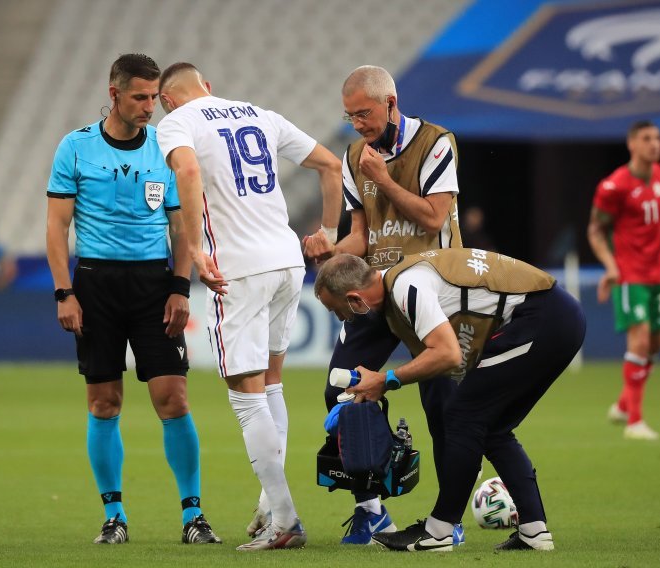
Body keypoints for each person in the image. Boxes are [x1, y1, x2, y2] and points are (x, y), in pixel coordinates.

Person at [156, 62, 342, 551]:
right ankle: (269, 502)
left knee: (245, 394)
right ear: (208, 87)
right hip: (286, 262)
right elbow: (330, 165)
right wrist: (329, 234)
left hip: (238, 268)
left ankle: (284, 519)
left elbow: (189, 170)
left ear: (167, 100)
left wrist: (195, 249)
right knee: (272, 382)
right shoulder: (261, 115)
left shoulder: (177, 122)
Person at [45, 54, 220, 545]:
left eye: (153, 97)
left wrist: (181, 287)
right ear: (114, 93)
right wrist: (65, 293)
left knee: (174, 398)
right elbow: (57, 229)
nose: (150, 106)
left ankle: (193, 516)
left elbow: (181, 224)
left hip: (153, 286)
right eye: (140, 97)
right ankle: (114, 517)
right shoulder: (75, 147)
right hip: (95, 286)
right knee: (104, 403)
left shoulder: (167, 147)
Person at [313, 249, 586, 552]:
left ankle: (440, 530)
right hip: (552, 317)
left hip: (543, 319)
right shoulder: (400, 281)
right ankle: (534, 531)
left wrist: (385, 380)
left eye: (336, 310)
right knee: (491, 427)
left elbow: (447, 354)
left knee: (462, 415)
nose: (341, 318)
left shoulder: (406, 287)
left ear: (354, 299)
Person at [302, 65, 463, 545]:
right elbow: (363, 235)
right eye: (350, 116)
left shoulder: (436, 142)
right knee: (342, 393)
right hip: (376, 293)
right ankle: (372, 513)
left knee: (446, 415)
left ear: (391, 102)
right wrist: (330, 251)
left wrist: (384, 179)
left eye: (365, 114)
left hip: (432, 291)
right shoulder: (355, 155)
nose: (358, 124)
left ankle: (446, 524)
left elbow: (436, 217)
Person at [587, 120, 660, 441]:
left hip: (658, 274)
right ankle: (635, 422)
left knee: (654, 344)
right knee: (639, 340)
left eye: (658, 138)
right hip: (630, 274)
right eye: (647, 138)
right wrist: (610, 266)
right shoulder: (614, 186)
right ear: (632, 144)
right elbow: (596, 230)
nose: (655, 144)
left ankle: (624, 404)